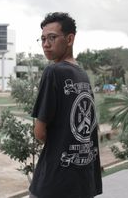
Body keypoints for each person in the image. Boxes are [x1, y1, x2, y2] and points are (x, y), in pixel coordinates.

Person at [29, 12, 102, 198]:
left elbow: (39, 132)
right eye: (43, 39)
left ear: (69, 39)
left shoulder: (53, 71)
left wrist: (62, 143)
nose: (46, 44)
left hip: (54, 182)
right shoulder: (82, 75)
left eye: (52, 38)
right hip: (83, 180)